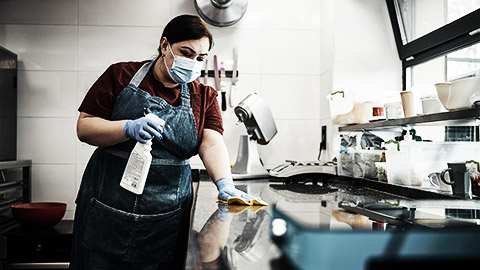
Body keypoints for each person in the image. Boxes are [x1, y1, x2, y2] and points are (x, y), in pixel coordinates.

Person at [70, 14, 262, 270]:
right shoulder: (121, 75)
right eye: (186, 52)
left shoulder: (203, 95)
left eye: (200, 58)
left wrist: (224, 183)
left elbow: (212, 142)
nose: (193, 63)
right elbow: (85, 127)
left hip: (165, 219)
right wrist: (127, 128)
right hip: (107, 209)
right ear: (164, 46)